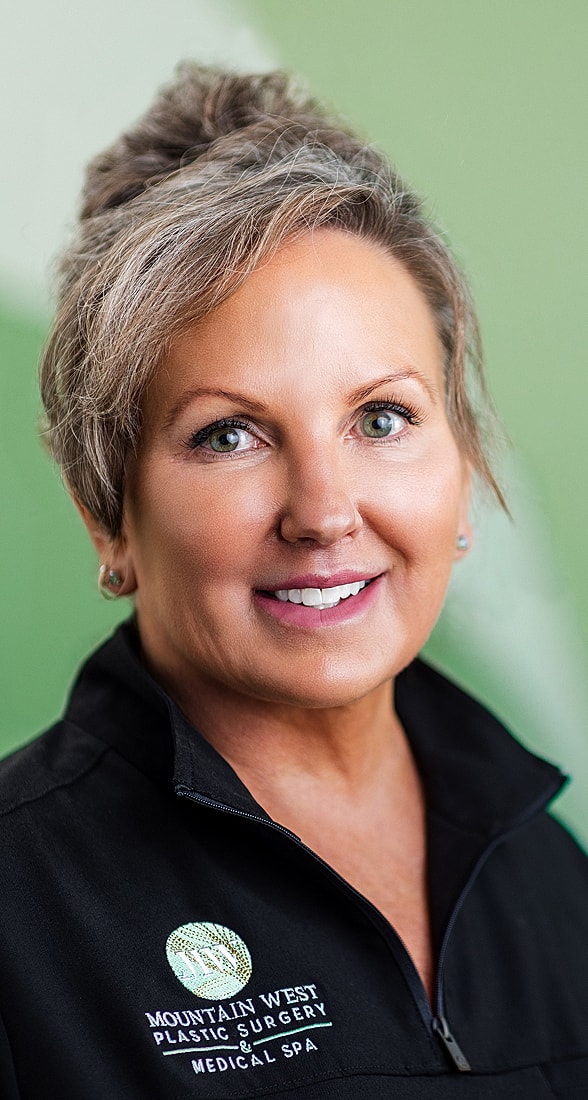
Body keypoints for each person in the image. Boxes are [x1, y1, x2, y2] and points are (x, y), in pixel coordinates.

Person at [1, 63, 587, 1100]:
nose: (322, 510)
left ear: (462, 465)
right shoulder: (19, 903)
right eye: (229, 433)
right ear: (106, 510)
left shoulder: (552, 872)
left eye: (383, 417)